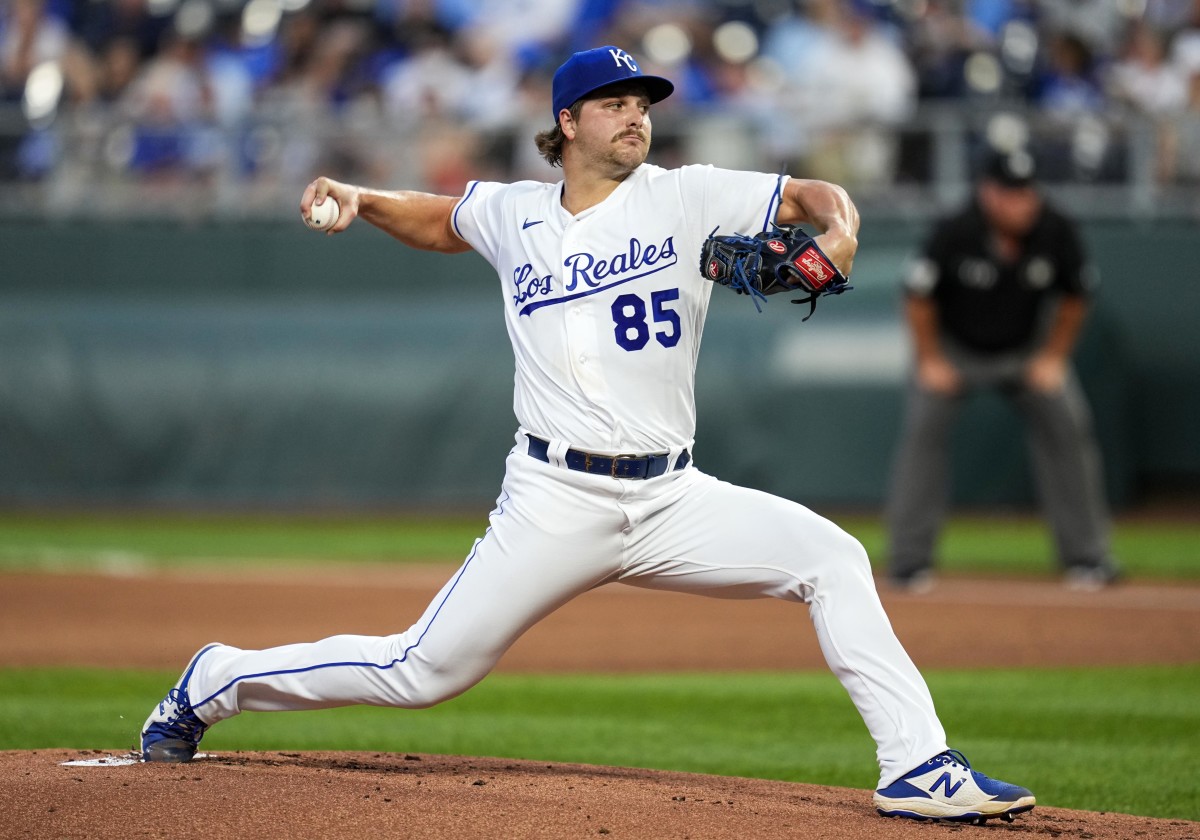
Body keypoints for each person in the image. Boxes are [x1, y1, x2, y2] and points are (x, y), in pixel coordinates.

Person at [141, 45, 1036, 825]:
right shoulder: (515, 212)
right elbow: (440, 219)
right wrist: (361, 197)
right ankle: (216, 678)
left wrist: (838, 230)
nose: (634, 118)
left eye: (643, 105)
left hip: (671, 496)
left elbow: (811, 194)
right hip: (554, 498)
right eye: (615, 104)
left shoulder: (689, 197)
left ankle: (917, 766)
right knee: (424, 670)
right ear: (568, 121)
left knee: (832, 558)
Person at [884, 145, 1120, 593]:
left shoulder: (1056, 228)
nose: (1022, 203)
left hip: (1026, 350)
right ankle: (909, 561)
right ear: (989, 194)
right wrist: (931, 360)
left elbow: (1077, 296)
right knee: (923, 434)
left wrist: (1053, 357)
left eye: (1028, 193)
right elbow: (917, 295)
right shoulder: (956, 228)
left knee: (1068, 427)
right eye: (1011, 194)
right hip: (955, 349)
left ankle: (1088, 557)